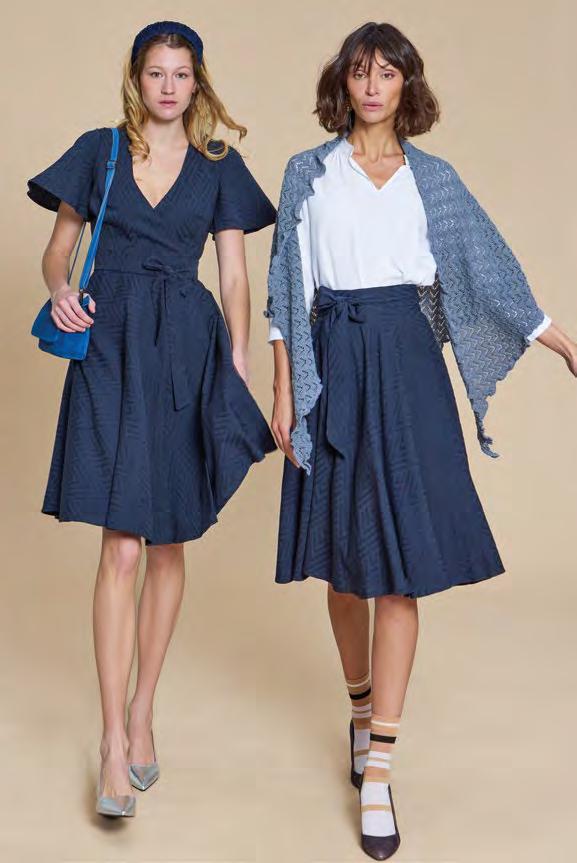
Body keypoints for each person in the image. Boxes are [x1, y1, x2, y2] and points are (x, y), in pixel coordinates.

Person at [264, 21, 577, 861]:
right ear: (343, 82)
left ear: (407, 85)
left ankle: (378, 771)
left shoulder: (431, 179)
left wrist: (561, 341)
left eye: (388, 73)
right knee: (343, 567)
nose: (373, 86)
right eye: (360, 72)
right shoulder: (307, 171)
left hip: (407, 365)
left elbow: (491, 271)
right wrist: (284, 390)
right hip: (332, 360)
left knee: (400, 571)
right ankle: (359, 707)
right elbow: (285, 289)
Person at [27, 20, 277, 818]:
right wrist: (61, 288)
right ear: (136, 79)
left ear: (197, 83)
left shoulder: (219, 164)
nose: (168, 86)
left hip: (185, 351)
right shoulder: (99, 151)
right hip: (110, 347)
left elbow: (233, 275)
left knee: (168, 540)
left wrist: (236, 356)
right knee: (122, 545)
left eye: (181, 73)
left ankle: (143, 712)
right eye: (155, 72)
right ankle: (111, 738)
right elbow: (58, 250)